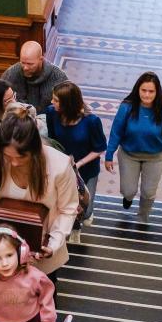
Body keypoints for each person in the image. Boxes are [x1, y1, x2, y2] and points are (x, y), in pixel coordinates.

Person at [0, 108, 79, 292]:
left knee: (43, 294)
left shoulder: (59, 165)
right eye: (7, 156)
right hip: (2, 251)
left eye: (21, 157)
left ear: (35, 149)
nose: (13, 163)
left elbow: (68, 208)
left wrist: (53, 244)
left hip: (42, 252)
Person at [104, 71, 162, 222]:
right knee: (128, 190)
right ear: (138, 89)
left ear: (157, 92)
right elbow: (116, 132)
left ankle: (143, 218)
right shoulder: (126, 107)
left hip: (155, 157)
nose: (147, 95)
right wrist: (109, 155)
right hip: (129, 155)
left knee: (148, 192)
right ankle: (128, 199)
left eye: (151, 91)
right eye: (144, 90)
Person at [45, 81, 107, 228]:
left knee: (85, 209)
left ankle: (83, 218)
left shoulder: (91, 121)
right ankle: (73, 227)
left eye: (56, 100)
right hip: (63, 168)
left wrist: (78, 164)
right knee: (65, 203)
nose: (51, 102)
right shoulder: (51, 112)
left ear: (68, 103)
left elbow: (99, 149)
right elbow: (53, 140)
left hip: (86, 169)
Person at [1, 41, 68, 114]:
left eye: (30, 64)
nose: (25, 68)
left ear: (41, 59)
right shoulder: (11, 74)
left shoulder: (58, 77)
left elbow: (69, 106)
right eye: (23, 63)